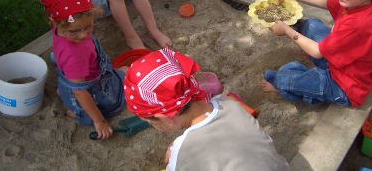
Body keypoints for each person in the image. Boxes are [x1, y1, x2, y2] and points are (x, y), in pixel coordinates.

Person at [124, 48, 289, 170]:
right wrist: (178, 147)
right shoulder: (230, 103)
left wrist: (177, 154)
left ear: (164, 117)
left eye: (150, 122)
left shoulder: (183, 157)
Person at [23, 0, 125, 139]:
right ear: (55, 22)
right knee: (124, 83)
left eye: (88, 26)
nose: (84, 34)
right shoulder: (75, 55)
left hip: (71, 83)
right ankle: (79, 112)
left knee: (73, 85)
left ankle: (66, 96)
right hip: (91, 92)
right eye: (75, 31)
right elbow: (80, 91)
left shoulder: (59, 28)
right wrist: (99, 121)